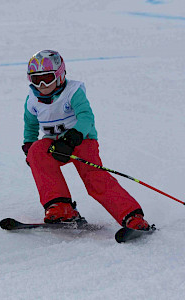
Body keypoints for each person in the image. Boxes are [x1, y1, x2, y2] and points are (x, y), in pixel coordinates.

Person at [22, 50, 150, 230]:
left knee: (94, 178)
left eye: (47, 78)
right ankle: (61, 207)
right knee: (37, 151)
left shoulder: (73, 92)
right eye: (36, 80)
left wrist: (74, 136)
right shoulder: (32, 100)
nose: (42, 85)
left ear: (59, 75)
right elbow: (30, 124)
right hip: (56, 145)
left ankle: (132, 217)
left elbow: (86, 117)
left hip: (82, 140)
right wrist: (28, 144)